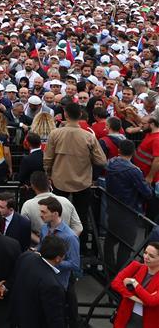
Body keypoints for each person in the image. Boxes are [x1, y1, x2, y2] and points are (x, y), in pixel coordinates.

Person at [44, 102, 107, 249]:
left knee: (57, 214)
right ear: (80, 116)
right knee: (81, 216)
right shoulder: (88, 136)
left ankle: (55, 245)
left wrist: (48, 173)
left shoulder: (55, 133)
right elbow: (101, 160)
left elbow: (47, 159)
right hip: (82, 182)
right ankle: (81, 247)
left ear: (65, 114)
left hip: (59, 180)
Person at [105, 139, 155, 272]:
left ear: (119, 150)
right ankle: (119, 272)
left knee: (111, 238)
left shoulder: (110, 163)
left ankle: (108, 267)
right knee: (127, 244)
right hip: (129, 209)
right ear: (133, 152)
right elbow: (147, 193)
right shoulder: (133, 171)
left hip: (112, 206)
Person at [38, 197, 82, 327]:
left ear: (55, 213)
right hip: (43, 280)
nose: (40, 215)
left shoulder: (70, 237)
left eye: (44, 212)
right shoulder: (44, 229)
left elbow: (75, 264)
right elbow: (41, 247)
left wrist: (51, 262)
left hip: (59, 285)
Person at [9, 235, 68, 328]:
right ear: (58, 258)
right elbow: (55, 318)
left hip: (17, 319)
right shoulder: (53, 286)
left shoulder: (26, 257)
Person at [21, 171, 82, 243]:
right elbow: (78, 228)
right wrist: (66, 241)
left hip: (41, 248)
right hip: (64, 247)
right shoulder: (66, 201)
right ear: (50, 183)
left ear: (33, 186)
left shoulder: (27, 205)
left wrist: (42, 243)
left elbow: (24, 230)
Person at [110, 241, 159, 328]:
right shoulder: (135, 266)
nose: (146, 257)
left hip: (149, 322)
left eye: (151, 256)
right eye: (145, 253)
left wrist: (134, 283)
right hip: (125, 317)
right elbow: (115, 283)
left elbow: (152, 301)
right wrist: (138, 300)